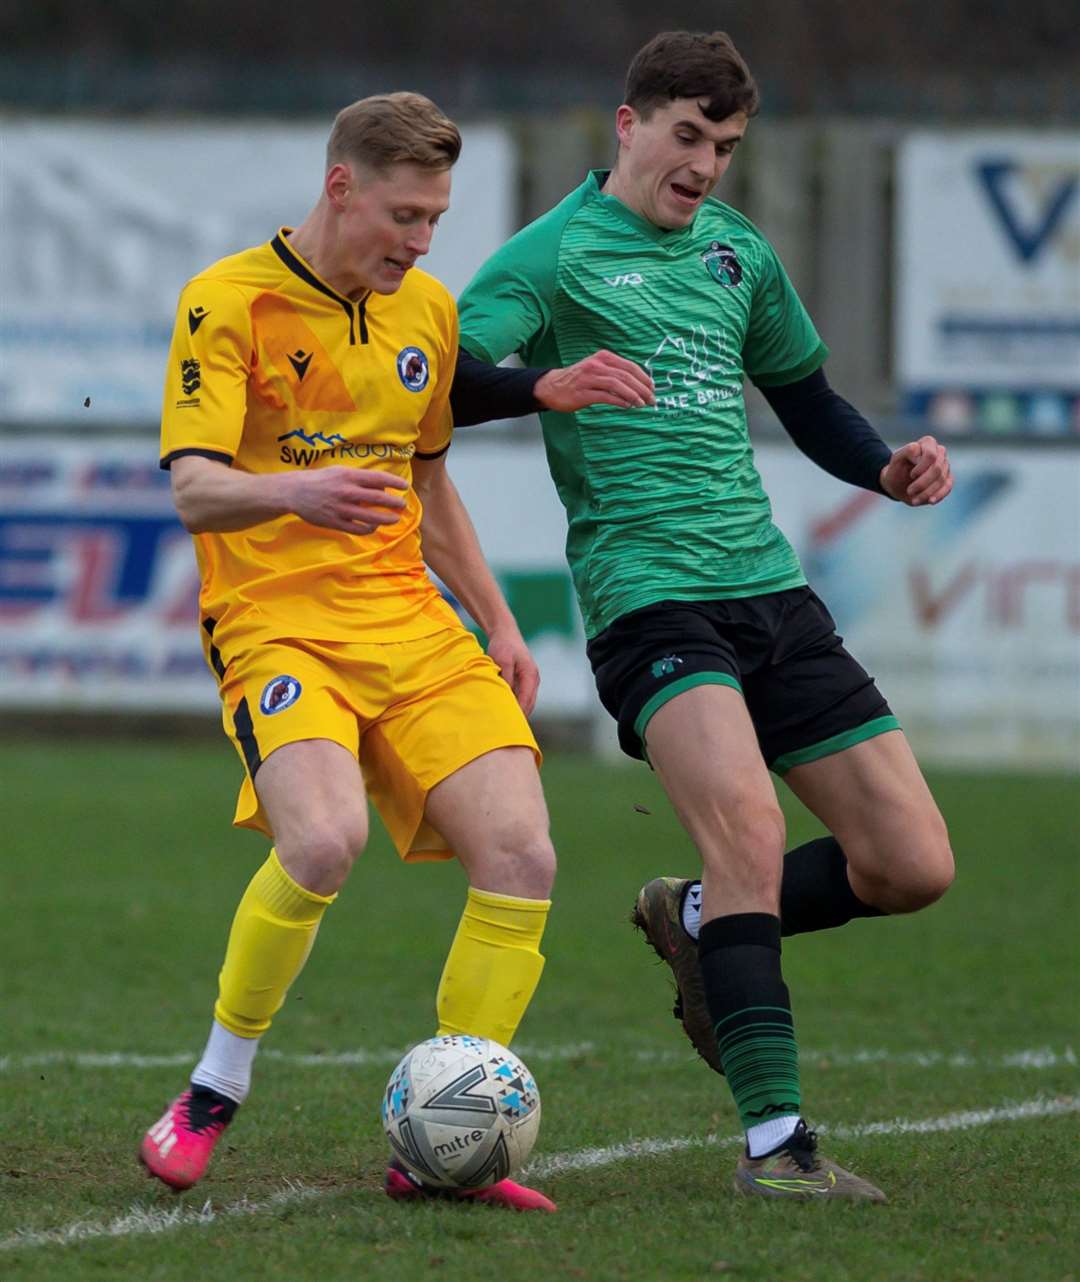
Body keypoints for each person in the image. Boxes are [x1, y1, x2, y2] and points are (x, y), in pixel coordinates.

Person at [456, 30, 956, 1201]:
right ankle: (777, 1147)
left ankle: (692, 917)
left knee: (912, 864)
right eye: (689, 136)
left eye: (726, 145)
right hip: (647, 596)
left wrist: (884, 470)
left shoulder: (738, 254)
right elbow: (441, 382)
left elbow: (810, 399)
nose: (708, 166)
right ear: (626, 125)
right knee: (750, 835)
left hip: (770, 591)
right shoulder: (553, 254)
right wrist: (542, 382)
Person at [139, 91, 621, 1214]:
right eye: (404, 214)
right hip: (276, 619)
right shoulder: (228, 302)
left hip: (411, 622)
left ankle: (450, 1136)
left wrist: (498, 621)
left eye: (436, 220)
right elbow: (196, 491)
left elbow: (429, 483)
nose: (419, 241)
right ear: (340, 185)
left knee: (523, 855)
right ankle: (212, 1091)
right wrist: (301, 488)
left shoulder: (428, 314)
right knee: (323, 838)